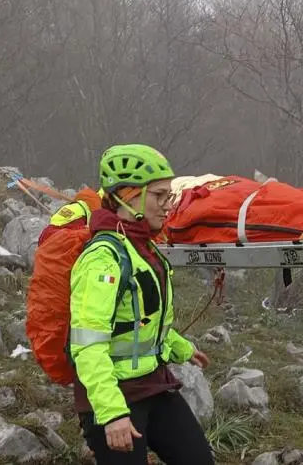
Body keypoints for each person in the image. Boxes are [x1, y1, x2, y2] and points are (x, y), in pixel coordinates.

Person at [69, 144, 215, 465]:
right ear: (128, 196)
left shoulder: (143, 248)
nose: (168, 205)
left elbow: (141, 320)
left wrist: (181, 348)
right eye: (159, 195)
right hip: (114, 396)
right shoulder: (102, 260)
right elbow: (88, 345)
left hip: (153, 383)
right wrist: (112, 414)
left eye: (169, 196)